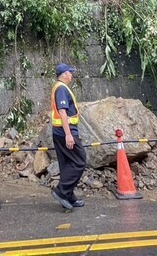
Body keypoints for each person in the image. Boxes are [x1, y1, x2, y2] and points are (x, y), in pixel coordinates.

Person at [50, 63, 87, 210]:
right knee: (80, 160)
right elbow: (63, 112)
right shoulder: (61, 89)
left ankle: (69, 196)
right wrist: (68, 135)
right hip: (64, 132)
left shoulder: (59, 88)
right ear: (64, 74)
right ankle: (61, 192)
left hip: (59, 131)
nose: (71, 75)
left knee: (67, 164)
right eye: (70, 72)